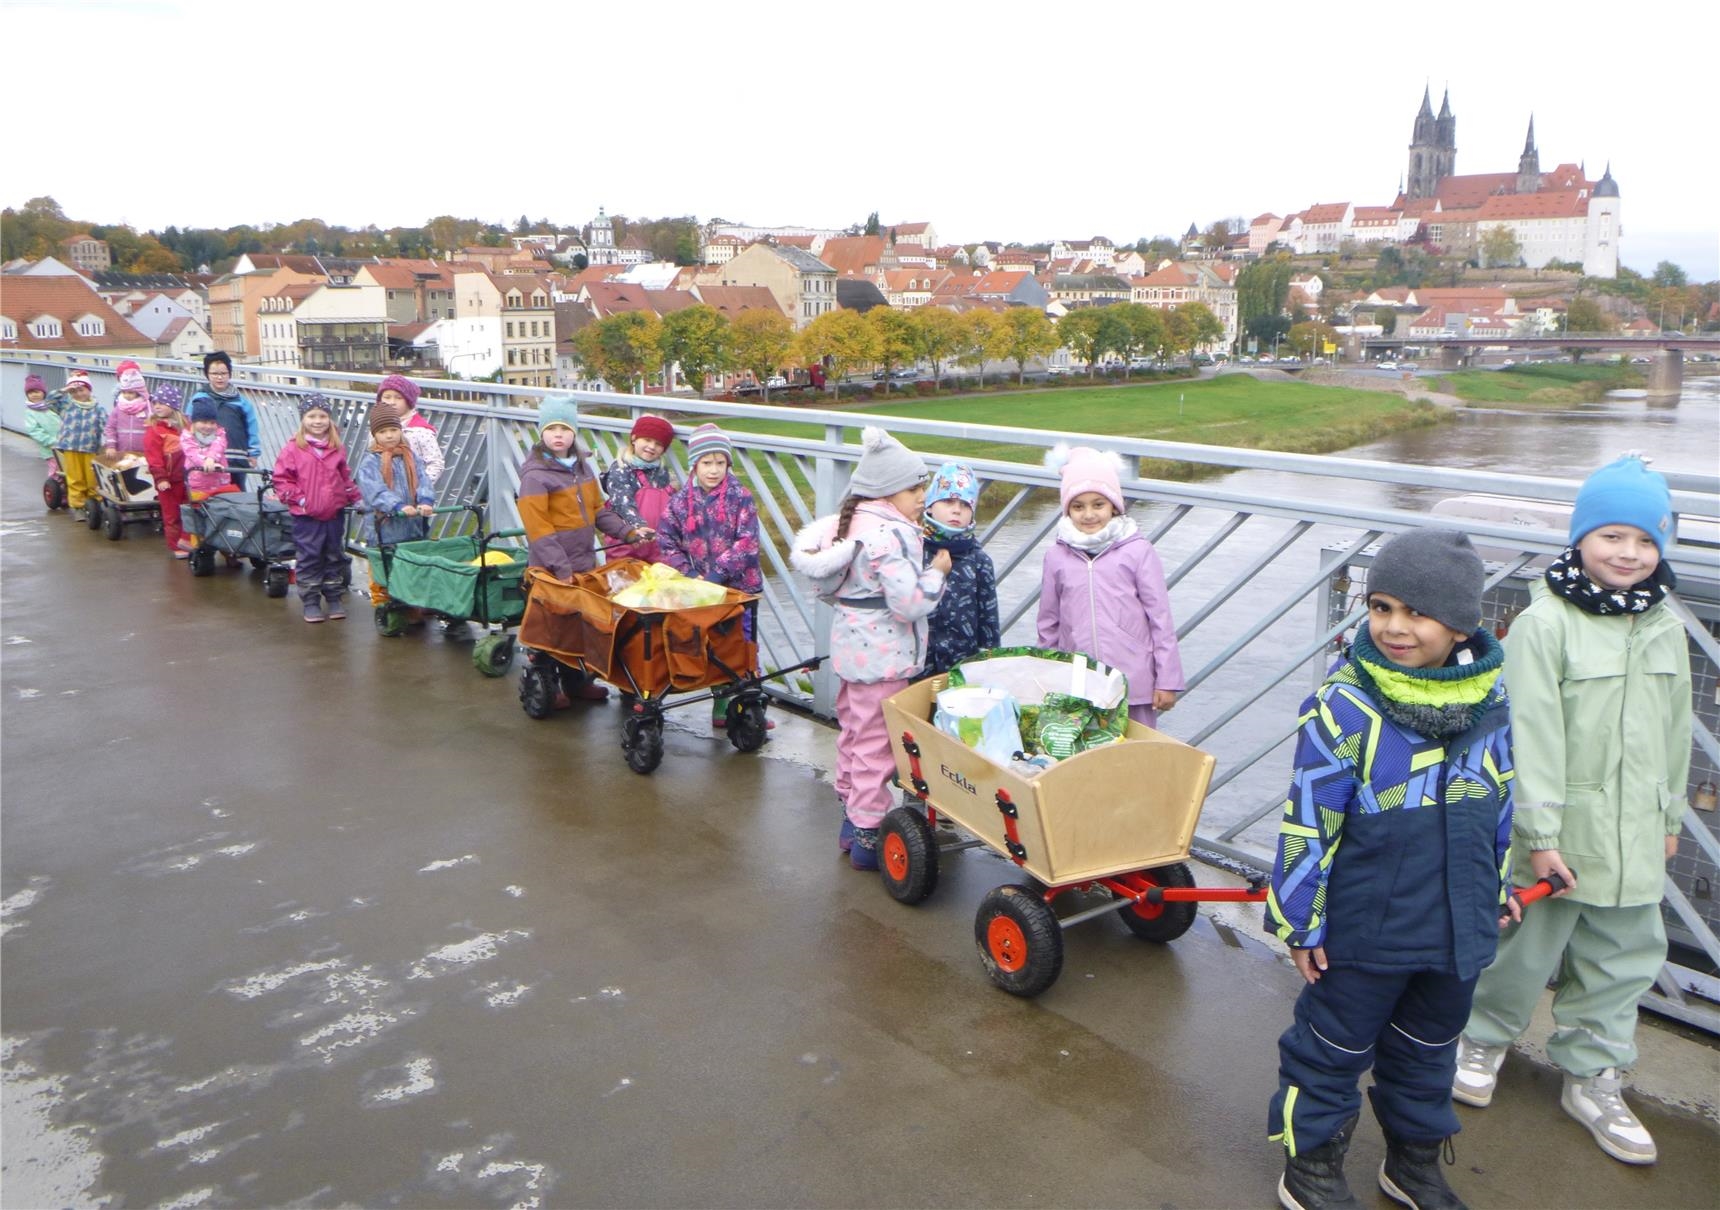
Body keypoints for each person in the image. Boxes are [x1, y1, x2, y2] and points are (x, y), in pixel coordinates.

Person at [1264, 528, 1516, 1210]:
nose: (1394, 627)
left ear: (1460, 622)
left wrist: (1497, 888)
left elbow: (1500, 800)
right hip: (1364, 928)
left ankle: (1412, 1164)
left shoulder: (1491, 703)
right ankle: (1308, 1163)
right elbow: (1308, 818)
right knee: (1329, 1049)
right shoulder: (1345, 705)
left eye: (1416, 612)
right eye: (1381, 607)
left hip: (1455, 927)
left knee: (1429, 1051)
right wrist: (1299, 920)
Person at [1454, 455, 1690, 1167]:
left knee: (1623, 961)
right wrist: (1540, 833)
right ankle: (1482, 1038)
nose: (1629, 554)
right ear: (1581, 538)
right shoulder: (1546, 624)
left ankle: (1593, 1075)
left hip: (1637, 835)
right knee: (1520, 953)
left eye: (1646, 541)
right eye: (1613, 535)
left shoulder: (1664, 624)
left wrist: (1671, 818)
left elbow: (1676, 730)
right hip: (1556, 840)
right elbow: (1528, 734)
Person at [790, 427, 948, 870]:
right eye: (916, 488)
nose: (924, 496)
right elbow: (910, 603)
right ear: (888, 491)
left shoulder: (854, 525)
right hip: (885, 657)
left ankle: (849, 818)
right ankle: (867, 836)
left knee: (856, 736)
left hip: (854, 651)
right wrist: (937, 572)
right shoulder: (889, 536)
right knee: (878, 747)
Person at [1036, 445, 1183, 728]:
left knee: (1135, 758)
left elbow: (1160, 619)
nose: (1089, 514)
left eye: (1098, 504)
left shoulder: (1137, 551)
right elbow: (1048, 623)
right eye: (1078, 506)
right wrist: (1046, 673)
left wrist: (1167, 679)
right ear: (1068, 510)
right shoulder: (1056, 556)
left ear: (1114, 505)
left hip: (1133, 683)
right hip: (1078, 683)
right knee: (1084, 757)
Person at [516, 396, 649, 706]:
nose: (558, 435)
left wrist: (627, 532)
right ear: (542, 433)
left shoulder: (582, 468)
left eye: (564, 428)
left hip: (584, 563)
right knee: (554, 628)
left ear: (574, 433)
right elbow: (539, 530)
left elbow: (598, 510)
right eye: (551, 429)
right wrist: (561, 570)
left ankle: (577, 682)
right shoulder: (535, 476)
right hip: (553, 569)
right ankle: (549, 683)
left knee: (580, 626)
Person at [657, 423, 767, 729]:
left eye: (720, 463)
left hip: (739, 589)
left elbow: (748, 542)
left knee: (743, 645)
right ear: (695, 464)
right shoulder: (680, 501)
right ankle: (720, 702)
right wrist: (689, 573)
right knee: (713, 645)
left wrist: (718, 573)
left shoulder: (740, 497)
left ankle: (750, 704)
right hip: (700, 589)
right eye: (707, 463)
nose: (714, 470)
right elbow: (666, 541)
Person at [274, 394, 362, 623]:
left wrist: (355, 497)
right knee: (310, 556)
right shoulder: (293, 449)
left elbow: (344, 477)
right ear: (303, 419)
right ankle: (311, 600)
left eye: (322, 416)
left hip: (334, 512)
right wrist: (301, 500)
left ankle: (333, 597)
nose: (317, 421)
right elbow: (282, 480)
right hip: (306, 515)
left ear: (329, 420)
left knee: (333, 555)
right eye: (311, 416)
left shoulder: (336, 448)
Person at [920, 461, 1000, 676]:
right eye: (947, 501)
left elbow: (988, 618)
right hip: (916, 659)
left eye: (965, 505)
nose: (956, 510)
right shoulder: (914, 550)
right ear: (929, 505)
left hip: (962, 663)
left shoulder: (979, 559)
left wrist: (990, 660)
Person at [600, 413, 677, 564]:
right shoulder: (621, 469)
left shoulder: (661, 473)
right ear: (634, 439)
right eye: (647, 440)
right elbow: (622, 503)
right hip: (628, 539)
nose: (651, 447)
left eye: (658, 444)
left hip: (656, 543)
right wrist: (638, 526)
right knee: (625, 581)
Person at [187, 352, 260, 468]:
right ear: (207, 375)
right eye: (214, 374)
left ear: (229, 374)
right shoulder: (199, 399)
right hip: (206, 458)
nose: (219, 377)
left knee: (237, 486)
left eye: (223, 373)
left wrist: (253, 453)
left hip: (237, 456)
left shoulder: (242, 402)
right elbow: (188, 426)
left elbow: (252, 428)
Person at [47, 369, 106, 512]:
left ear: (88, 390)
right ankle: (79, 506)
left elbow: (106, 425)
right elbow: (49, 400)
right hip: (70, 447)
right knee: (75, 478)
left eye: (82, 390)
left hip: (90, 448)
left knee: (92, 479)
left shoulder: (98, 408)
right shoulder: (66, 405)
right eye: (74, 392)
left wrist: (108, 443)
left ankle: (95, 504)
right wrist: (65, 390)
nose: (79, 394)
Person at [143, 385, 190, 557]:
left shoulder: (186, 425)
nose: (157, 406)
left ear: (173, 405)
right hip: (169, 480)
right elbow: (153, 457)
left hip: (187, 477)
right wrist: (160, 477)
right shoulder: (155, 430)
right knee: (171, 514)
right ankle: (176, 545)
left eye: (162, 403)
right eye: (155, 403)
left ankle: (188, 540)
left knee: (190, 509)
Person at [374, 374, 445, 486]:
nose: (392, 402)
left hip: (414, 494)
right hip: (385, 494)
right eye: (387, 397)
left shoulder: (420, 431)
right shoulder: (377, 428)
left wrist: (420, 488)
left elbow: (436, 463)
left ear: (408, 401)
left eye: (398, 398)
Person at [182, 398, 235, 500]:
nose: (208, 426)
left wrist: (211, 458)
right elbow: (192, 453)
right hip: (198, 483)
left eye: (212, 423)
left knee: (220, 509)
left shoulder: (219, 433)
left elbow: (218, 446)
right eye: (204, 422)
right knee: (199, 510)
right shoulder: (187, 437)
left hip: (220, 482)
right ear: (194, 422)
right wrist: (204, 463)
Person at [103, 366, 152, 457]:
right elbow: (110, 427)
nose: (127, 396)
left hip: (142, 454)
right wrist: (111, 446)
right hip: (122, 452)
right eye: (124, 392)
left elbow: (153, 429)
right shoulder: (118, 408)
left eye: (130, 393)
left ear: (139, 392)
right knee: (123, 471)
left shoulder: (148, 408)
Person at [22, 373, 62, 481]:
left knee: (65, 469)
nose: (34, 395)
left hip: (63, 443)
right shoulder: (30, 412)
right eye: (30, 392)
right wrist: (51, 441)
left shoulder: (49, 406)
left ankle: (66, 490)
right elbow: (34, 431)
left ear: (43, 393)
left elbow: (59, 397)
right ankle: (55, 490)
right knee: (55, 469)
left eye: (37, 392)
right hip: (50, 447)